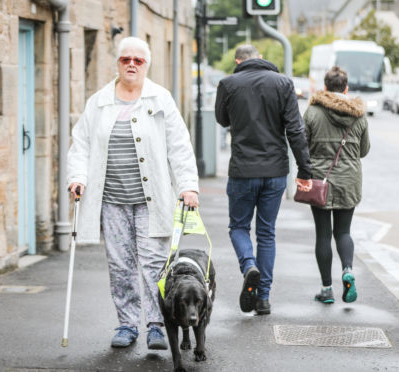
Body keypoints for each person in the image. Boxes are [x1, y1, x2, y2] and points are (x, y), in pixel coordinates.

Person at [67, 37, 199, 350]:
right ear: (117, 63)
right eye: (126, 59)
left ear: (146, 65)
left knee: (154, 266)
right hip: (112, 201)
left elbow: (179, 145)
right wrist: (77, 177)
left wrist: (188, 186)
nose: (131, 65)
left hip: (150, 201)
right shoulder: (99, 101)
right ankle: (127, 324)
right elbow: (81, 144)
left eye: (138, 61)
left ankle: (156, 324)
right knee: (120, 265)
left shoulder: (160, 98)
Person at [214, 44, 312, 315]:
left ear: (238, 60)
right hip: (274, 172)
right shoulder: (282, 83)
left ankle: (248, 266)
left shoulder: (228, 83)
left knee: (238, 227)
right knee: (267, 233)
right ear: (260, 58)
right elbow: (295, 128)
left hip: (243, 170)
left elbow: (222, 120)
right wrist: (305, 170)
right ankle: (264, 298)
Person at [302, 66, 370, 304]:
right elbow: (363, 150)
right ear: (346, 88)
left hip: (321, 179)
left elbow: (303, 146)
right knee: (343, 231)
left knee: (323, 234)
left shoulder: (312, 112)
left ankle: (327, 289)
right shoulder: (359, 114)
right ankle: (348, 270)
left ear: (325, 87)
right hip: (349, 180)